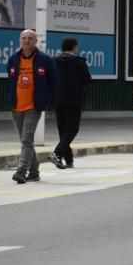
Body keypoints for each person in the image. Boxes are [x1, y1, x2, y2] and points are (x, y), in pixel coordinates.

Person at [6, 30, 58, 184]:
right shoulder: (13, 59)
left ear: (36, 42)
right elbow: (11, 81)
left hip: (34, 106)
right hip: (17, 106)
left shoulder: (45, 60)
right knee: (25, 141)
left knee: (27, 138)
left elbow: (54, 82)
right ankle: (34, 172)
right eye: (24, 38)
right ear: (19, 40)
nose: (26, 41)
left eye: (30, 38)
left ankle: (21, 171)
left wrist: (48, 102)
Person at [49, 37, 92, 169]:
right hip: (74, 100)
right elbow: (87, 80)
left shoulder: (54, 61)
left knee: (63, 130)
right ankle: (56, 153)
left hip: (58, 100)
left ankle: (68, 160)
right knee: (72, 129)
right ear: (74, 47)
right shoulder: (79, 62)